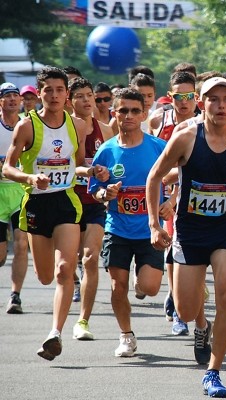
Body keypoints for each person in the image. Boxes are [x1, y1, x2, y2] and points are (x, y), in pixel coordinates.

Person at [147, 76, 226, 398]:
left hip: (225, 230)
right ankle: (201, 327)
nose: (219, 105)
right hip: (189, 232)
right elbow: (154, 177)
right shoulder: (186, 137)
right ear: (202, 104)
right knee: (187, 311)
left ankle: (214, 372)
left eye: (225, 100)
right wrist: (153, 225)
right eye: (213, 100)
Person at [2, 66, 109, 360]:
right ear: (39, 93)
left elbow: (76, 166)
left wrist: (90, 170)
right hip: (36, 204)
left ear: (68, 95)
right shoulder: (28, 126)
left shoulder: (76, 126)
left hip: (66, 202)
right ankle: (55, 326)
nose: (54, 95)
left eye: (60, 89)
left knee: (64, 270)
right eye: (48, 89)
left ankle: (55, 333)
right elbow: (7, 167)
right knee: (47, 276)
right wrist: (29, 178)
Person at [88, 88, 172, 357]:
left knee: (149, 287)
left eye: (135, 111)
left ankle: (140, 279)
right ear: (115, 113)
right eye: (123, 110)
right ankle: (126, 336)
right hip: (117, 227)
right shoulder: (107, 150)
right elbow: (95, 189)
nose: (129, 115)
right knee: (116, 286)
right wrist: (105, 194)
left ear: (144, 114)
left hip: (150, 229)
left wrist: (170, 202)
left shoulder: (158, 147)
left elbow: (181, 176)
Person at [148, 71, 198, 333]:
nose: (184, 101)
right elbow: (154, 164)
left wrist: (175, 196)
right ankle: (175, 299)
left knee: (190, 255)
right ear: (171, 97)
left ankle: (181, 302)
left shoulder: (203, 123)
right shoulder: (159, 120)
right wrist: (164, 197)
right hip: (165, 193)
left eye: (189, 96)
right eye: (179, 96)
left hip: (192, 194)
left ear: (196, 97)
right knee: (172, 247)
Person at [68, 77, 114, 340]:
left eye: (91, 96)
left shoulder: (106, 130)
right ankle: (72, 282)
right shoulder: (63, 129)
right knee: (67, 262)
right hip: (67, 202)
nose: (87, 101)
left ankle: (83, 320)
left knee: (90, 258)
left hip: (95, 203)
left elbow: (116, 163)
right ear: (70, 101)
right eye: (81, 96)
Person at [0, 83, 29, 314]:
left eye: (14, 96)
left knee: (21, 244)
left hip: (20, 190)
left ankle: (15, 296)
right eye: (6, 96)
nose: (11, 99)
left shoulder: (26, 124)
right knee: (1, 255)